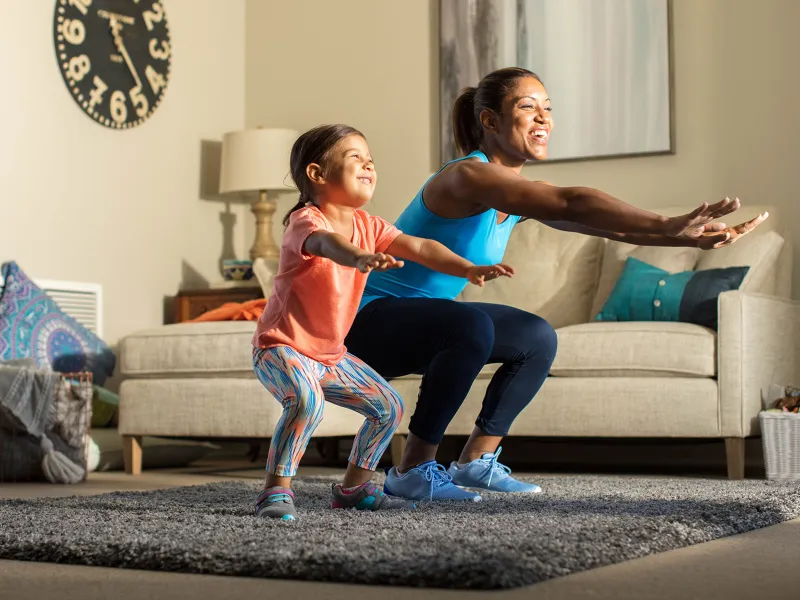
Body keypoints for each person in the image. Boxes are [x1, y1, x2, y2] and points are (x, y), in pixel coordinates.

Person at [345, 67, 768, 502]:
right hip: (368, 323)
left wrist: (684, 234)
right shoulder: (465, 178)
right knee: (469, 324)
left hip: (428, 323)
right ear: (489, 121)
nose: (543, 118)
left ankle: (476, 462)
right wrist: (666, 222)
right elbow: (572, 200)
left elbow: (603, 226)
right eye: (528, 108)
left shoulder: (511, 193)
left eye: (548, 108)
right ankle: (412, 469)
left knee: (536, 336)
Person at [252, 124, 514, 520]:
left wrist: (467, 267)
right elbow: (326, 244)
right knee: (306, 400)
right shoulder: (305, 221)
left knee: (387, 407)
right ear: (317, 174)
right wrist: (358, 258)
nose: (368, 164)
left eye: (370, 159)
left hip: (329, 355)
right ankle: (276, 491)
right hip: (281, 347)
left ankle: (354, 489)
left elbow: (421, 246)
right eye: (354, 157)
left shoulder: (368, 225)